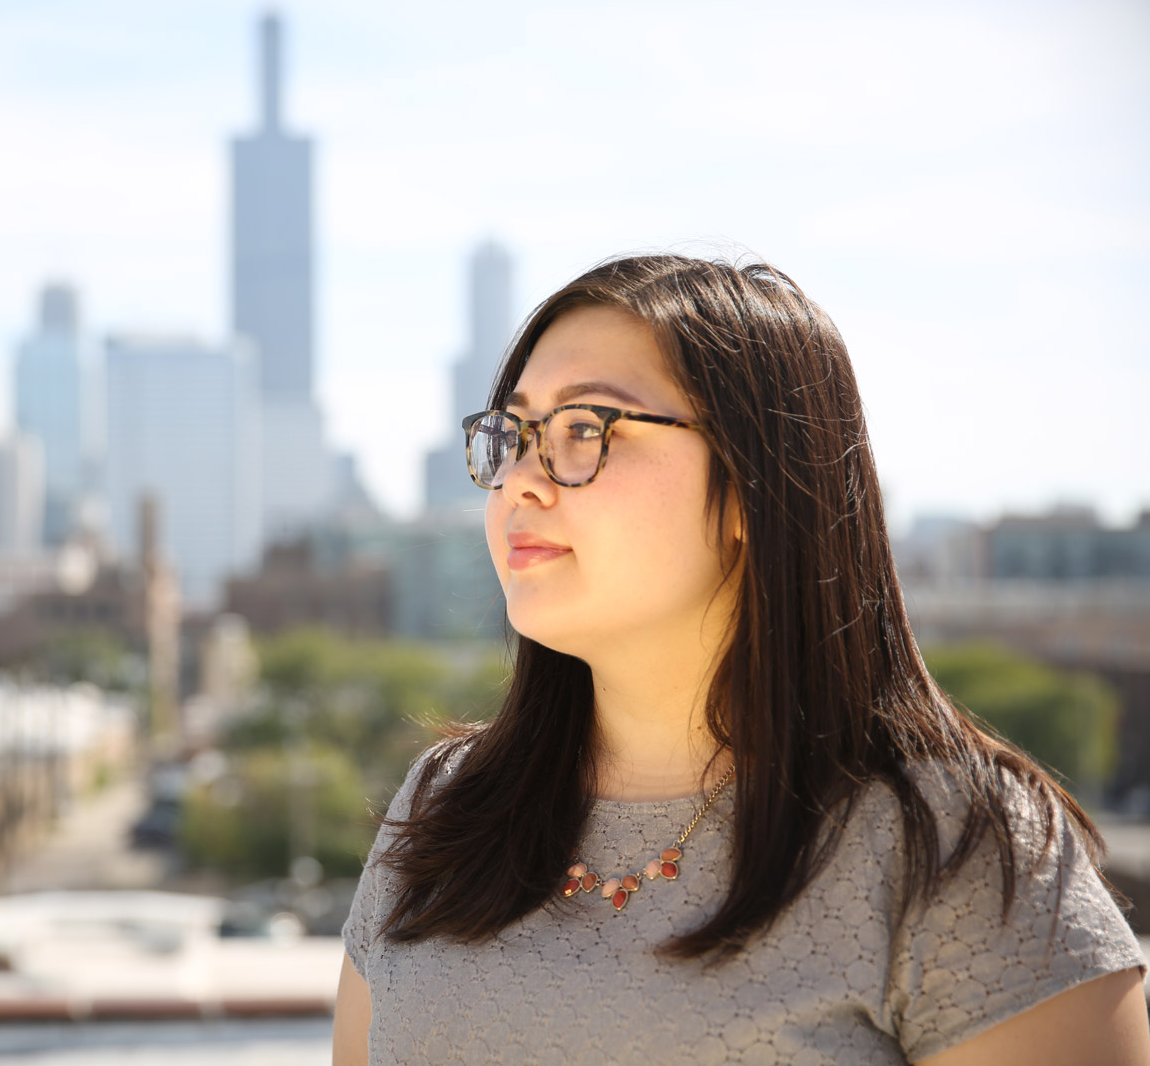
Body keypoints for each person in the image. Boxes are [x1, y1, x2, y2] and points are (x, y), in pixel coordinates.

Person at [332, 254, 1149, 1065]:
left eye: (583, 430)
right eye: (513, 434)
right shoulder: (443, 808)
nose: (517, 481)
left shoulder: (955, 847)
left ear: (755, 482)